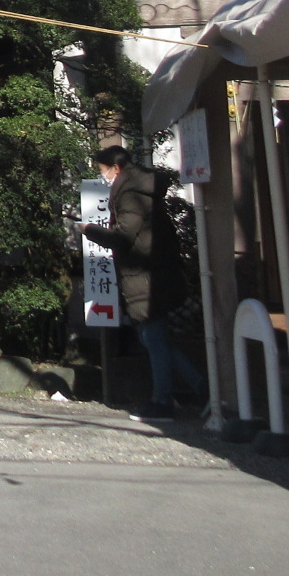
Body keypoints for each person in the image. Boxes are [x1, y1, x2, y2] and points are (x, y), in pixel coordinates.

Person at [81, 144, 206, 422]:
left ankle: (163, 401)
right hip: (155, 273)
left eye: (104, 172)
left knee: (153, 338)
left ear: (116, 168)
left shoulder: (130, 194)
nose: (104, 179)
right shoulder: (140, 187)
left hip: (148, 277)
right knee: (155, 338)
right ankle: (202, 390)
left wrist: (90, 230)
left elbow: (125, 236)